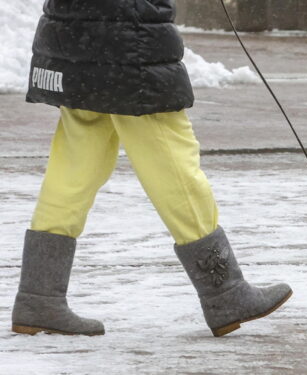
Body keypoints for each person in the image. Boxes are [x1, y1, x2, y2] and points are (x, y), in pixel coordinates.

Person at [12, 0, 292, 337]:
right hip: (129, 44)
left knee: (75, 163)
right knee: (172, 160)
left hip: (77, 36)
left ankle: (39, 297)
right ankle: (225, 292)